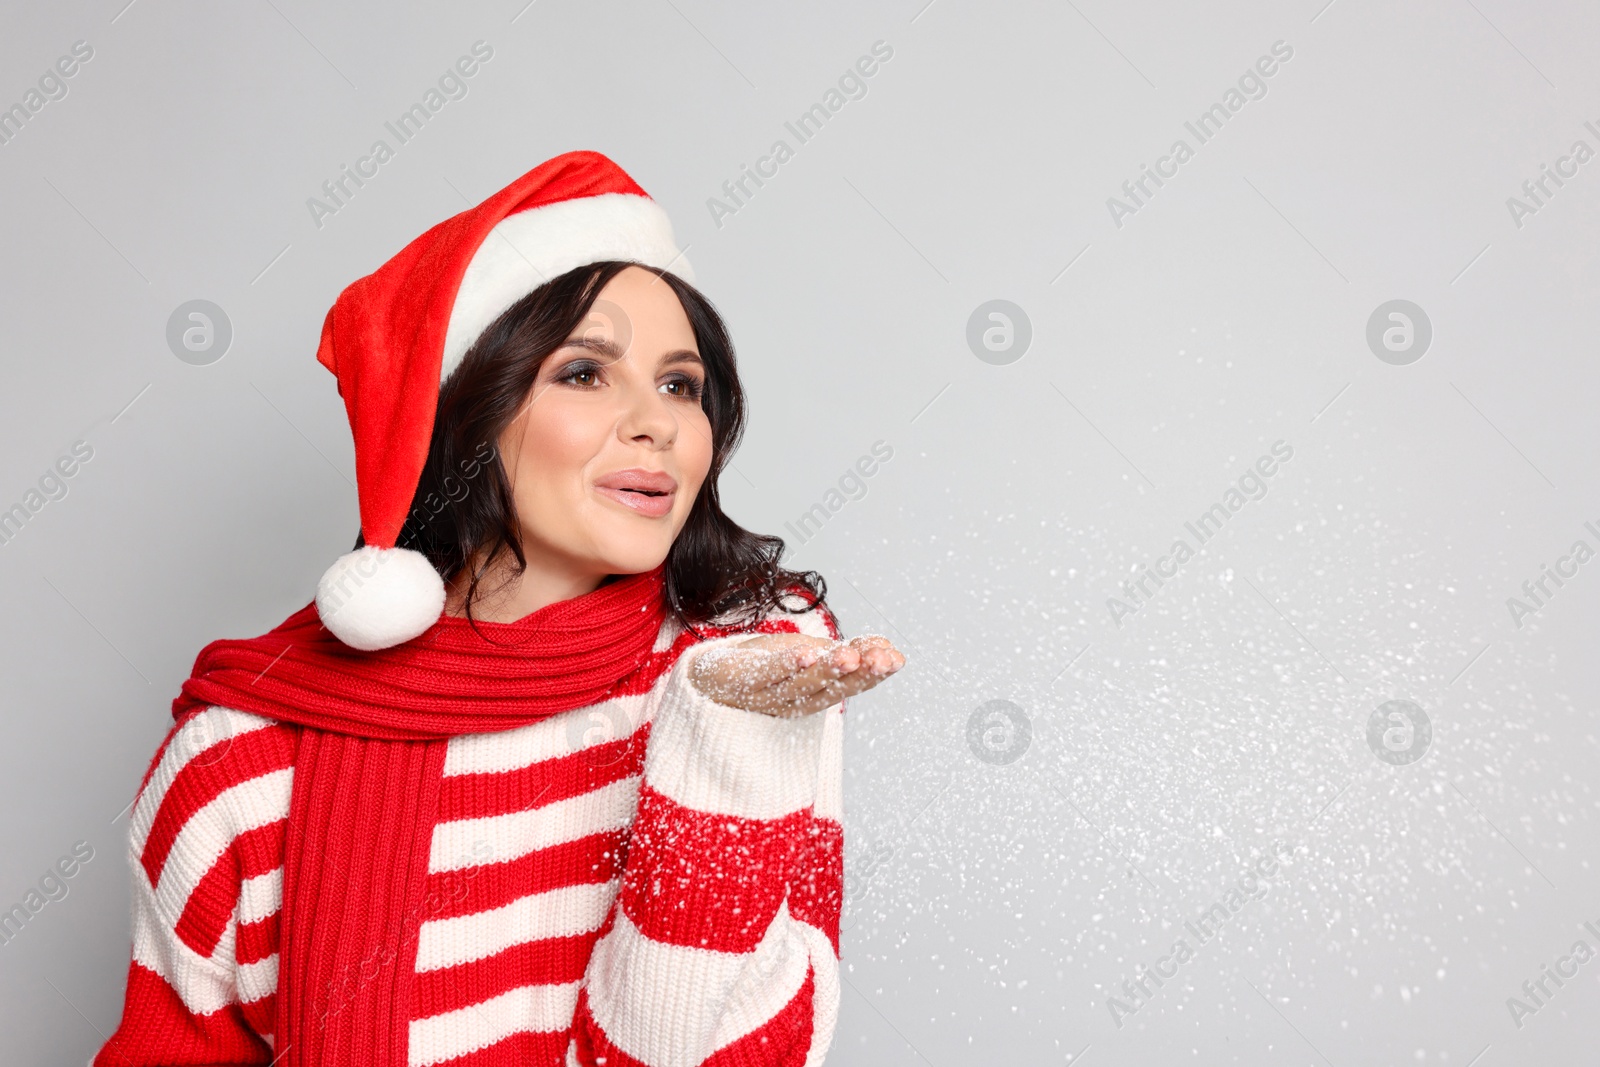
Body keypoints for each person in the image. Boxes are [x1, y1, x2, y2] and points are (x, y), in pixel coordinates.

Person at [93, 150, 904, 1067]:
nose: (660, 423)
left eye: (681, 383)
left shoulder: (754, 667)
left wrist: (725, 745)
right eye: (586, 374)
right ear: (465, 415)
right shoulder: (243, 758)